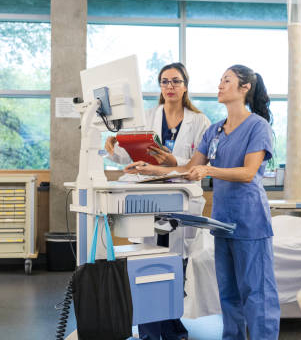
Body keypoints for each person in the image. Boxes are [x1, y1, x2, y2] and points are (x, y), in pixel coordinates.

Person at [124, 65, 280, 340]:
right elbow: (188, 168)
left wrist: (209, 170)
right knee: (229, 295)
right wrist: (151, 170)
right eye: (220, 80)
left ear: (244, 88)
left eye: (227, 81)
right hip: (221, 222)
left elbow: (247, 173)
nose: (219, 85)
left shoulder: (258, 126)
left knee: (257, 294)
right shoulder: (216, 131)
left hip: (250, 220)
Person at [105, 62, 210, 340]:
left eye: (176, 81)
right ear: (160, 87)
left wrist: (174, 162)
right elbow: (131, 155)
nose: (170, 87)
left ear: (185, 85)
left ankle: (171, 321)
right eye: (165, 82)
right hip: (149, 194)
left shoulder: (199, 121)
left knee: (176, 261)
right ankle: (153, 327)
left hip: (183, 196)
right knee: (149, 260)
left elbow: (200, 165)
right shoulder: (149, 116)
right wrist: (114, 151)